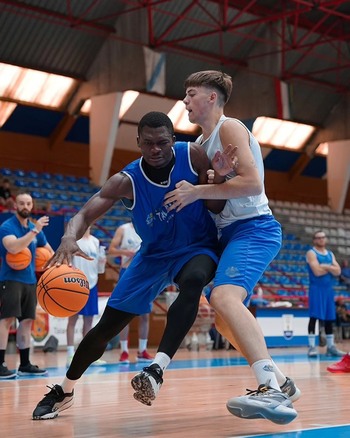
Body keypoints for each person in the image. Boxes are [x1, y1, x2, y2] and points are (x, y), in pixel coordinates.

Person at [32, 111, 234, 420]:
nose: (156, 150)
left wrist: (218, 179)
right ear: (138, 142)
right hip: (152, 255)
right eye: (149, 143)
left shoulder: (193, 156)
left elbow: (216, 204)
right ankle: (65, 389)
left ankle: (156, 370)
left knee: (193, 282)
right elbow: (84, 214)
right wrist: (69, 236)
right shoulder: (126, 180)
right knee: (105, 328)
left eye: (163, 143)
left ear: (173, 140)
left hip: (197, 247)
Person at [145, 70, 300, 425]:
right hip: (228, 233)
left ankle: (269, 388)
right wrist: (216, 180)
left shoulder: (228, 128)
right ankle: (281, 382)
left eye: (191, 93)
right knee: (225, 320)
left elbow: (252, 184)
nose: (185, 101)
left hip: (253, 228)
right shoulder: (201, 145)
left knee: (223, 299)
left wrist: (197, 190)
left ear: (211, 98)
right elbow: (225, 192)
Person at [0, 192, 54, 379]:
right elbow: (13, 248)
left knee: (27, 322)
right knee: (6, 320)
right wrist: (34, 231)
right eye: (21, 203)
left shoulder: (34, 228)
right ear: (15, 206)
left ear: (32, 206)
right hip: (11, 279)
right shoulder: (7, 227)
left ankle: (24, 364)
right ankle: (1, 364)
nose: (25, 206)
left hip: (30, 281)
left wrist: (62, 265)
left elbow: (49, 252)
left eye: (28, 203)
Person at [108, 221, 153, 363]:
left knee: (145, 315)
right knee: (124, 314)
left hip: (145, 273)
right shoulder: (123, 229)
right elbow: (111, 249)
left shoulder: (148, 227)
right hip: (127, 271)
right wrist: (125, 252)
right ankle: (124, 351)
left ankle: (142, 350)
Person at [66, 226, 107, 367]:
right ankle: (70, 354)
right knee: (72, 319)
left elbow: (100, 268)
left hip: (92, 284)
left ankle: (86, 355)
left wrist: (103, 261)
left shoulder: (96, 241)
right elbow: (67, 262)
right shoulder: (74, 240)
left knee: (89, 321)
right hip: (76, 284)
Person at [306, 230, 344, 358]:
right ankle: (312, 347)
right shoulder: (311, 253)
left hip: (328, 289)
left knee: (329, 318)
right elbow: (316, 271)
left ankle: (331, 346)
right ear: (314, 240)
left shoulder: (330, 254)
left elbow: (338, 271)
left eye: (323, 237)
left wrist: (325, 266)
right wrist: (330, 268)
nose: (321, 239)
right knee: (314, 317)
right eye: (318, 238)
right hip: (316, 289)